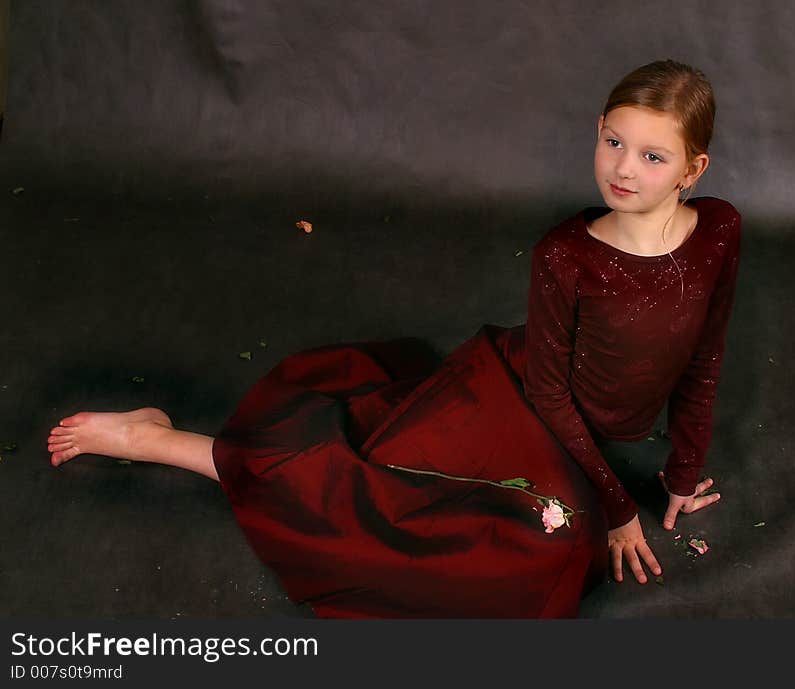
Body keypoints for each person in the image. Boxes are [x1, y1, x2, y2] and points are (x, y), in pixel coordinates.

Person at [46, 59, 740, 617]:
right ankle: (159, 439)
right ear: (598, 130)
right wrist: (620, 507)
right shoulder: (566, 252)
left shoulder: (718, 232)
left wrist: (681, 472)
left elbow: (703, 356)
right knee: (367, 490)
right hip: (529, 402)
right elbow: (551, 393)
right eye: (613, 141)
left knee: (546, 551)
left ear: (692, 170)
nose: (622, 168)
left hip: (583, 427)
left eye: (652, 157)